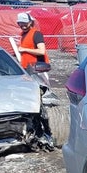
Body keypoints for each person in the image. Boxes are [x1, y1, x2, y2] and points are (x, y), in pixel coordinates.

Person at [16, 12, 55, 147]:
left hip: (38, 71)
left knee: (41, 104)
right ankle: (36, 130)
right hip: (27, 71)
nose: (22, 25)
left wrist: (24, 49)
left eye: (24, 23)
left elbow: (41, 51)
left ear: (30, 22)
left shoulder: (36, 33)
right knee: (30, 102)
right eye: (20, 23)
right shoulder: (23, 35)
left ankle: (48, 132)